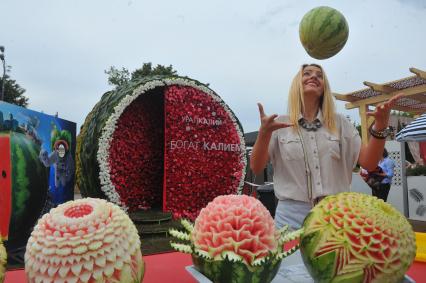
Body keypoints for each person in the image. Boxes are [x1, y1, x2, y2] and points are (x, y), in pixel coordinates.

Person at [250, 63, 402, 230]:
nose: (314, 76)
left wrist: (380, 126)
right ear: (296, 84)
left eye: (319, 75)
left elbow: (369, 163)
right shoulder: (279, 125)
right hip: (291, 218)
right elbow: (256, 167)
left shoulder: (341, 123)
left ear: (324, 88)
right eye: (306, 73)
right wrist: (264, 133)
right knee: (290, 257)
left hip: (336, 215)